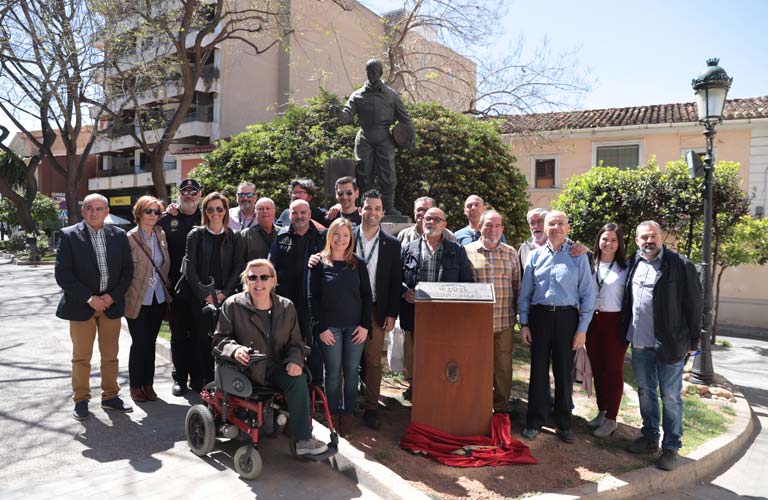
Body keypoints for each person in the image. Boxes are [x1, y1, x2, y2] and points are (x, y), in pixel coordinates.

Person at [213, 259, 328, 456]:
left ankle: (303, 441)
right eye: (253, 277)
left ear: (273, 281)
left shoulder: (286, 307)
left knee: (298, 379)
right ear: (246, 281)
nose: (259, 282)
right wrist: (235, 350)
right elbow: (220, 340)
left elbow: (296, 343)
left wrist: (294, 360)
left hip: (276, 367)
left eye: (264, 277)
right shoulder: (232, 305)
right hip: (244, 370)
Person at [621, 221, 702, 471]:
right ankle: (649, 436)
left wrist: (693, 341)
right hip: (640, 341)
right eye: (644, 237)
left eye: (653, 236)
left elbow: (694, 304)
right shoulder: (634, 263)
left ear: (662, 237)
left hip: (670, 343)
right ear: (636, 241)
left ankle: (671, 447)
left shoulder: (680, 265)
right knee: (645, 391)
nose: (649, 241)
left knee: (670, 396)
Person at [55, 193, 134, 420]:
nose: (94, 212)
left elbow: (128, 271)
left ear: (107, 212)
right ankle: (81, 400)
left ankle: (110, 396)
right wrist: (90, 299)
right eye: (89, 208)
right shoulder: (69, 235)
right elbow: (63, 274)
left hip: (111, 305)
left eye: (99, 209)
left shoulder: (118, 235)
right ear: (83, 210)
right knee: (81, 357)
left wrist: (112, 296)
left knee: (111, 355)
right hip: (82, 307)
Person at [518, 210, 595, 443]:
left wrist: (582, 329)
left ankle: (563, 423)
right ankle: (535, 420)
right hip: (539, 318)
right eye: (551, 223)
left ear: (568, 228)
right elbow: (525, 294)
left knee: (563, 373)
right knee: (538, 372)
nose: (556, 227)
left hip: (567, 320)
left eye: (561, 223)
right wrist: (524, 323)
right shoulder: (535, 256)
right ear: (545, 227)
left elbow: (588, 296)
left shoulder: (578, 256)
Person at [400, 207, 473, 399]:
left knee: (441, 353)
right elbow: (396, 277)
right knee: (415, 355)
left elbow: (466, 282)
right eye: (427, 218)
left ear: (444, 225)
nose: (430, 222)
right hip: (414, 313)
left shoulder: (456, 250)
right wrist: (404, 292)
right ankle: (416, 390)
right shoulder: (409, 248)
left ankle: (439, 390)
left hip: (444, 315)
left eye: (435, 219)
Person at [308, 218, 372, 437]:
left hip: (355, 328)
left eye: (345, 235)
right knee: (333, 372)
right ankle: (332, 413)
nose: (341, 239)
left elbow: (367, 297)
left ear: (350, 238)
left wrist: (365, 326)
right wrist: (321, 327)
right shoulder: (318, 264)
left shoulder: (358, 263)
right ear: (330, 236)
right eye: (336, 234)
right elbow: (312, 298)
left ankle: (348, 413)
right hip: (330, 329)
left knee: (352, 371)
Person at [331, 59, 415, 215]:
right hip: (364, 138)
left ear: (381, 73)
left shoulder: (391, 95)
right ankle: (365, 207)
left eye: (376, 72)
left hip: (384, 137)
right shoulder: (357, 95)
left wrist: (411, 136)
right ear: (366, 73)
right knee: (363, 175)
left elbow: (405, 119)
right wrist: (338, 114)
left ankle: (388, 207)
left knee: (388, 175)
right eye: (370, 72)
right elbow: (347, 115)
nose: (373, 75)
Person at [177, 192, 243, 388]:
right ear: (205, 211)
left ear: (225, 211)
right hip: (199, 298)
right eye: (210, 208)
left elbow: (238, 267)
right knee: (200, 340)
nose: (215, 213)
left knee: (223, 340)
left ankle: (222, 382)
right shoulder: (195, 234)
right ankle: (201, 381)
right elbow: (190, 267)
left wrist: (224, 294)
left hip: (225, 298)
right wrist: (205, 295)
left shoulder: (235, 237)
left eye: (219, 209)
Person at [354, 190, 402, 429]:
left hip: (376, 309)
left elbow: (395, 281)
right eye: (368, 207)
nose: (372, 212)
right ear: (360, 209)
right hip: (348, 308)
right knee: (348, 359)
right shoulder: (346, 236)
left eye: (377, 208)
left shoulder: (392, 245)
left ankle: (371, 407)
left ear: (383, 213)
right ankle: (346, 403)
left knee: (373, 361)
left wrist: (392, 313)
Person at [465, 210, 519, 414]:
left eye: (497, 225)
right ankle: (477, 405)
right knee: (477, 367)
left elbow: (517, 286)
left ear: (502, 229)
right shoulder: (467, 251)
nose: (492, 229)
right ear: (480, 226)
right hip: (477, 324)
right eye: (488, 225)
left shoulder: (511, 253)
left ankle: (501, 408)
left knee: (503, 368)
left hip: (504, 322)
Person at [270, 199, 327, 385]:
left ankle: (316, 387)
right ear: (289, 215)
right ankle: (287, 384)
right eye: (295, 213)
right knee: (285, 344)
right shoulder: (281, 236)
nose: (299, 216)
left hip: (313, 301)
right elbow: (271, 267)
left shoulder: (323, 236)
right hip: (286, 302)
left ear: (309, 214)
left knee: (314, 347)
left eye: (303, 212)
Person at [158, 178, 203, 396]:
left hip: (201, 289)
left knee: (199, 335)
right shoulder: (168, 219)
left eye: (193, 192)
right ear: (179, 195)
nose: (189, 195)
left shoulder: (207, 216)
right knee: (178, 336)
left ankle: (198, 378)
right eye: (184, 192)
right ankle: (179, 380)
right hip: (176, 289)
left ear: (199, 195)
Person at [124, 196, 171, 402]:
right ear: (139, 212)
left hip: (158, 297)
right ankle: (135, 386)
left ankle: (148, 385)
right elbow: (124, 269)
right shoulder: (130, 237)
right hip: (137, 297)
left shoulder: (161, 234)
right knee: (139, 342)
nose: (153, 215)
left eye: (156, 212)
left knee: (150, 342)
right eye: (148, 211)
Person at [584, 223, 630, 437]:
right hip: (592, 321)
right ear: (598, 241)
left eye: (613, 240)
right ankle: (602, 411)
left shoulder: (626, 268)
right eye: (605, 239)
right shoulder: (589, 263)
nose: (608, 243)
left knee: (613, 370)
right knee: (598, 368)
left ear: (619, 243)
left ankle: (612, 418)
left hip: (614, 322)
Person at [241, 197, 278, 265]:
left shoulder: (283, 233)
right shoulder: (246, 235)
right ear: (255, 212)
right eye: (261, 209)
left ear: (274, 211)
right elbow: (239, 262)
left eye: (268, 208)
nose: (265, 211)